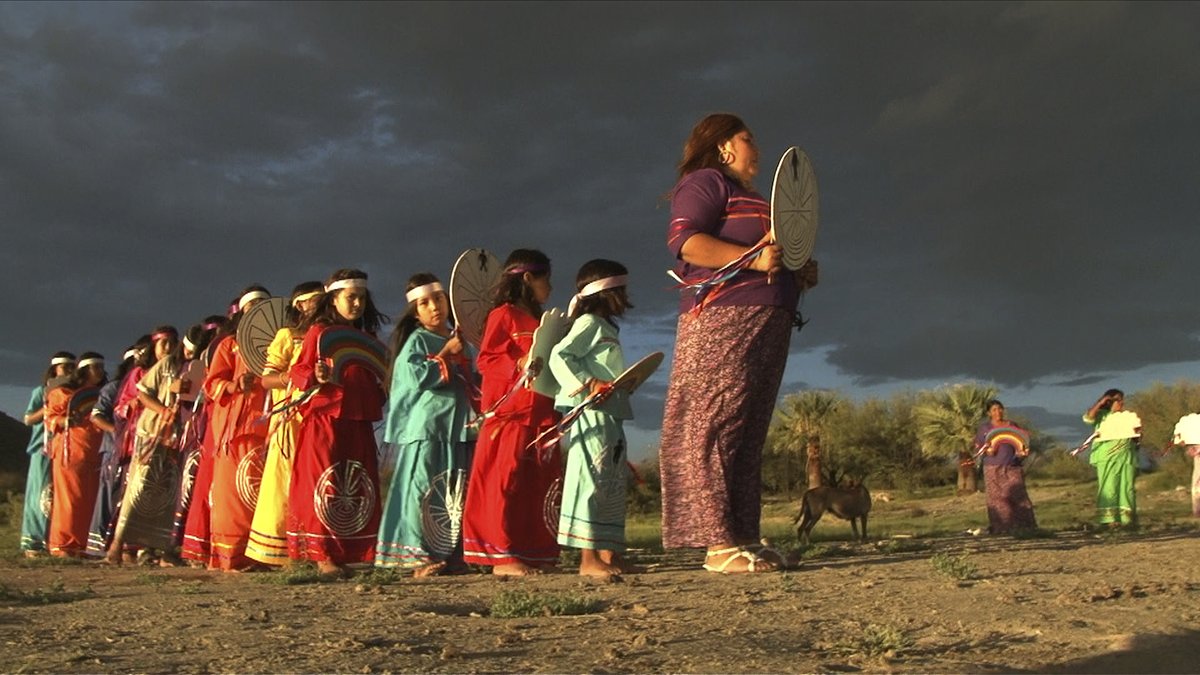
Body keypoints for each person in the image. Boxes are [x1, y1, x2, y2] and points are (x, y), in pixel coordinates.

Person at [659, 113, 819, 574]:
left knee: (749, 429)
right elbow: (686, 243)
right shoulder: (706, 182)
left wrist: (798, 271)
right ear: (724, 146)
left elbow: (773, 254)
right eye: (749, 139)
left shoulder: (755, 199)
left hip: (769, 316)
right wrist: (751, 259)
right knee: (716, 423)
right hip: (722, 318)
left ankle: (744, 536)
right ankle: (717, 544)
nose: (758, 149)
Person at [461, 249, 563, 576]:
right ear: (529, 278)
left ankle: (534, 550)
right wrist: (517, 363)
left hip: (542, 413)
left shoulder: (540, 321)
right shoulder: (502, 315)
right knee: (504, 482)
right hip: (511, 412)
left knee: (537, 484)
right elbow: (487, 359)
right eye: (546, 277)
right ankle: (502, 556)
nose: (551, 285)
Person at [288, 269, 388, 577]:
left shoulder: (368, 340)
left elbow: (377, 379)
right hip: (325, 419)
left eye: (361, 298)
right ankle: (322, 554)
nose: (357, 304)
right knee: (323, 483)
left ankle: (355, 550)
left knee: (357, 482)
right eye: (350, 297)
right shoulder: (319, 333)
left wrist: (382, 387)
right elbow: (297, 371)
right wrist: (314, 376)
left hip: (358, 420)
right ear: (333, 299)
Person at [376, 274, 476, 575]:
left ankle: (451, 554)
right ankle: (415, 556)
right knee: (421, 490)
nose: (434, 307)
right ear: (415, 311)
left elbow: (470, 382)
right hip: (427, 429)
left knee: (454, 493)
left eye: (438, 299)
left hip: (458, 428)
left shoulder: (461, 340)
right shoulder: (416, 341)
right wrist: (447, 354)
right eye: (424, 303)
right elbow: (416, 377)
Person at [549, 259, 635, 578]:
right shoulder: (588, 323)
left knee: (611, 483)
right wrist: (588, 384)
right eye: (621, 290)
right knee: (591, 479)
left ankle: (609, 553)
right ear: (607, 292)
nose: (626, 296)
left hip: (610, 413)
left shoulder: (606, 328)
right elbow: (560, 355)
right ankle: (588, 559)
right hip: (591, 414)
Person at [246, 281, 324, 567]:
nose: (322, 303)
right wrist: (296, 378)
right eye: (317, 300)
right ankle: (278, 550)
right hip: (290, 418)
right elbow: (267, 378)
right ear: (300, 305)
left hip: (318, 418)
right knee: (284, 481)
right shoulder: (287, 336)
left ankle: (314, 545)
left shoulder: (328, 335)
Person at [203, 285, 272, 571]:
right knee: (233, 494)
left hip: (270, 425)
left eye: (262, 305)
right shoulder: (229, 344)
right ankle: (233, 555)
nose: (256, 310)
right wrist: (234, 384)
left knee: (264, 492)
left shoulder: (279, 341)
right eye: (250, 306)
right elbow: (212, 384)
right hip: (237, 426)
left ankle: (265, 553)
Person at [105, 327, 185, 565]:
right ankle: (118, 546)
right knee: (138, 489)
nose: (169, 348)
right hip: (149, 433)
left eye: (173, 342)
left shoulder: (182, 365)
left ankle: (159, 550)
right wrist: (162, 409)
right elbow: (137, 397)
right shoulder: (147, 371)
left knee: (166, 492)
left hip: (172, 437)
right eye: (164, 343)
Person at [86, 341, 146, 558]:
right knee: (109, 498)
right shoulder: (113, 388)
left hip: (135, 450)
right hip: (114, 449)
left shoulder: (145, 385)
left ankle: (128, 546)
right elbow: (96, 416)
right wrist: (119, 432)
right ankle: (100, 547)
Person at [43, 352, 107, 557]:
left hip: (94, 450)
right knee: (69, 498)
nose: (100, 371)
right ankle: (63, 545)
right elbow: (51, 418)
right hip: (70, 450)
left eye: (101, 367)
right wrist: (67, 420)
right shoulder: (62, 392)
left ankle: (83, 544)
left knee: (89, 498)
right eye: (96, 367)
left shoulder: (103, 393)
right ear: (85, 369)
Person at [20, 352, 75, 556]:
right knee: (39, 495)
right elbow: (28, 419)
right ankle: (33, 542)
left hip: (64, 448)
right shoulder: (41, 392)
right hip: (41, 449)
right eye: (63, 366)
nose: (68, 370)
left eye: (71, 366)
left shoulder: (72, 393)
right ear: (54, 369)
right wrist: (48, 409)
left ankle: (55, 540)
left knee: (59, 496)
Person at [973, 400, 1037, 534]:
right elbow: (978, 446)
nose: (998, 412)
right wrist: (986, 450)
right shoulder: (984, 429)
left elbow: (1022, 442)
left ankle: (1026, 527)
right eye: (994, 410)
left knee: (1019, 496)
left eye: (1000, 409)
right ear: (989, 413)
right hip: (992, 467)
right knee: (996, 498)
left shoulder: (1011, 425)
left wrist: (1022, 453)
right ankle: (1001, 528)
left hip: (1012, 466)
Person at [1083, 389, 1138, 527]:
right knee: (1109, 488)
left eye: (1122, 400)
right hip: (1106, 457)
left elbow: (1136, 434)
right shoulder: (1101, 415)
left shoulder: (1127, 417)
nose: (1121, 403)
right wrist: (1100, 402)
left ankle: (1127, 520)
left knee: (1127, 488)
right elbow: (1088, 417)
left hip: (1126, 457)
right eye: (1118, 400)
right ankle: (1109, 521)